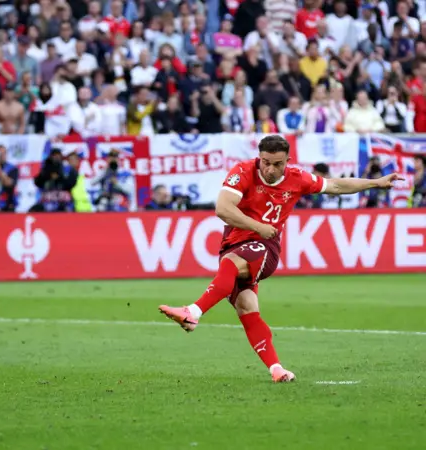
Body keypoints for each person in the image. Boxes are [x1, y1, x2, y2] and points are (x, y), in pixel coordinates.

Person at [158, 135, 404, 383]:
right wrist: (258, 225)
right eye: (266, 162)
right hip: (236, 243)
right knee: (247, 308)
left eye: (277, 164)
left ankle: (193, 312)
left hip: (266, 247)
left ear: (288, 160)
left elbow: (336, 186)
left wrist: (376, 183)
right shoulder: (242, 171)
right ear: (259, 158)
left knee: (230, 264)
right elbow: (223, 208)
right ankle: (276, 369)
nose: (270, 169)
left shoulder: (298, 179)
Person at [32, 148, 77, 212]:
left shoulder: (67, 169)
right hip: (47, 202)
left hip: (64, 202)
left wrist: (59, 178)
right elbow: (37, 182)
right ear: (51, 157)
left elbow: (71, 183)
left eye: (58, 156)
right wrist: (48, 176)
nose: (56, 158)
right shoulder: (45, 169)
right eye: (54, 156)